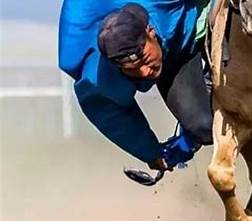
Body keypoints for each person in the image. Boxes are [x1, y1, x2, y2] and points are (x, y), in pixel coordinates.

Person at [58, 0, 213, 177]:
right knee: (203, 126)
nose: (146, 72)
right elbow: (108, 112)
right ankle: (189, 136)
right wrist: (150, 152)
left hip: (179, 17)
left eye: (145, 59)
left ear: (150, 32)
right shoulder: (99, 76)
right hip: (173, 50)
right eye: (132, 69)